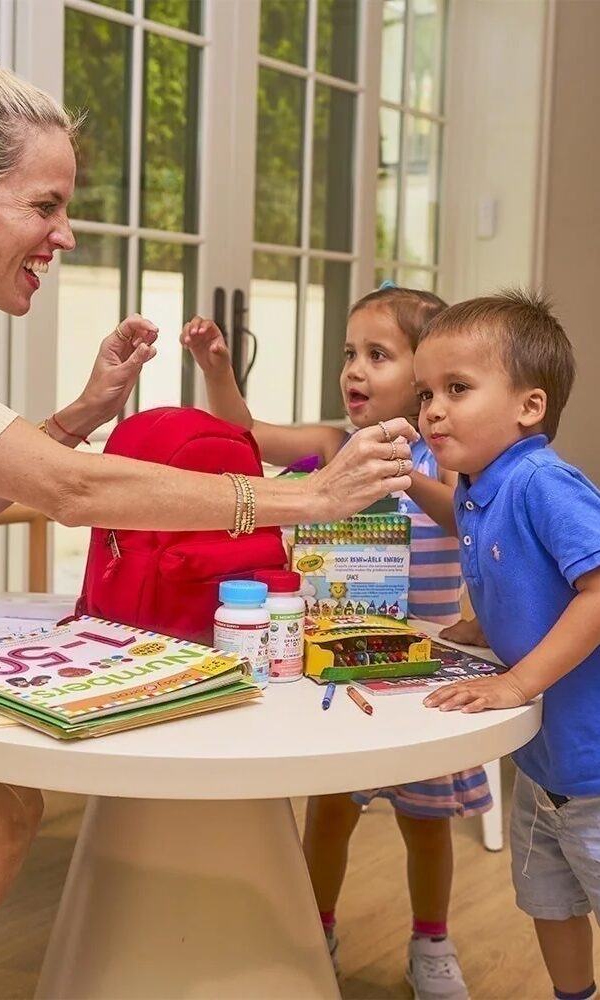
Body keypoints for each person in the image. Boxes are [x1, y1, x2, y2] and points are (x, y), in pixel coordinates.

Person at [0, 45, 416, 998]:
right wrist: (309, 499)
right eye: (45, 207)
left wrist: (81, 411)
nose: (65, 234)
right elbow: (72, 493)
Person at [180, 286, 489, 999]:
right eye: (350, 354)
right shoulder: (330, 447)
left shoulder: (447, 459)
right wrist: (216, 368)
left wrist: (407, 470)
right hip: (337, 668)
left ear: (424, 374)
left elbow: (471, 523)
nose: (353, 369)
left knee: (427, 825)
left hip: (422, 680)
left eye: (377, 355)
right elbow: (245, 432)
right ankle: (314, 928)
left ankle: (432, 942)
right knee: (328, 815)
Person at [418, 290, 600, 1000]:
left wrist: (519, 682)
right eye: (427, 392)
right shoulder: (477, 488)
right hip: (541, 762)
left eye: (457, 389)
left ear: (529, 407)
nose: (433, 409)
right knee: (550, 903)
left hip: (591, 761)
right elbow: (521, 577)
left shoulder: (542, 482)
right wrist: (482, 628)